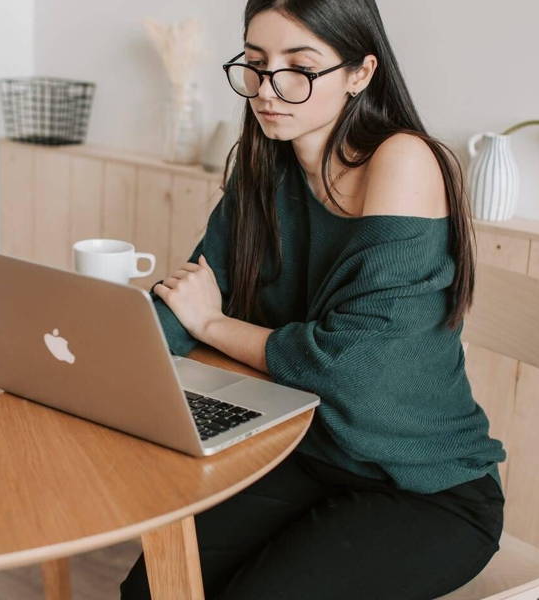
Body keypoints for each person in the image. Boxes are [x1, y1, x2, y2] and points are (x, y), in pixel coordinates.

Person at [119, 1, 507, 598]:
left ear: (360, 73)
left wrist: (215, 325)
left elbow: (352, 367)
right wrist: (98, 349)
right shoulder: (261, 170)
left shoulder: (402, 160)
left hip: (421, 485)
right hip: (306, 452)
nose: (269, 90)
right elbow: (187, 301)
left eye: (299, 67)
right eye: (254, 64)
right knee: (154, 589)